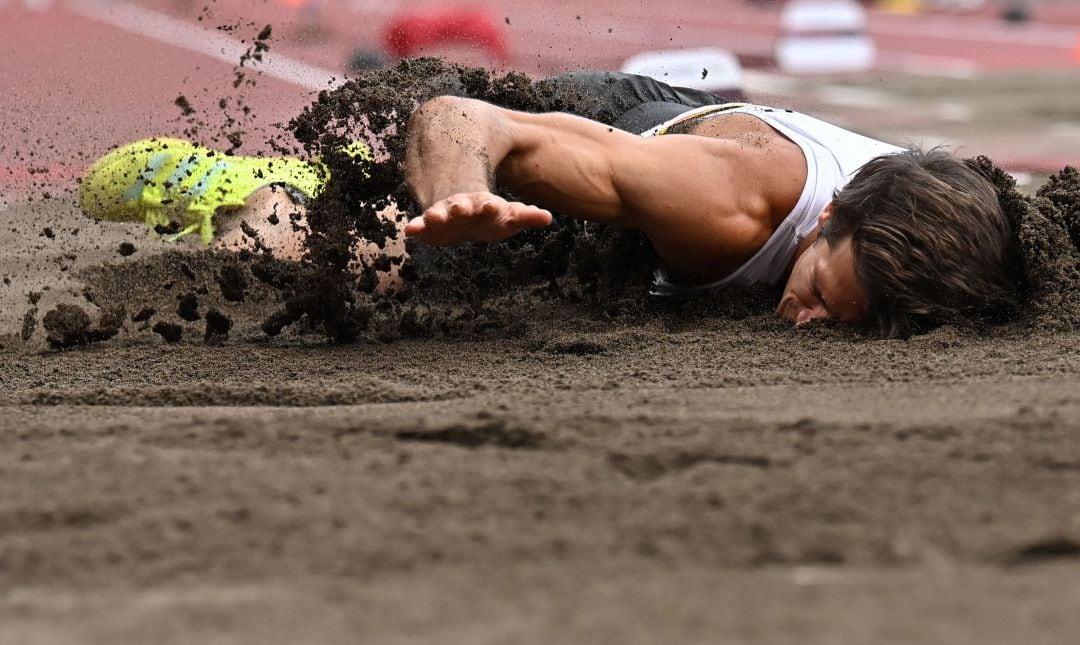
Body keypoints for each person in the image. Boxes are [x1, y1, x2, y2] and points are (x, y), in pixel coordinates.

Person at [78, 71, 1019, 337]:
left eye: (837, 319)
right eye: (819, 286)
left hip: (692, 152)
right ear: (821, 223)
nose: (807, 317)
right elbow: (458, 115)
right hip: (607, 144)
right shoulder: (725, 208)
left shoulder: (962, 231)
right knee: (364, 268)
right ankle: (243, 190)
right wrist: (460, 203)